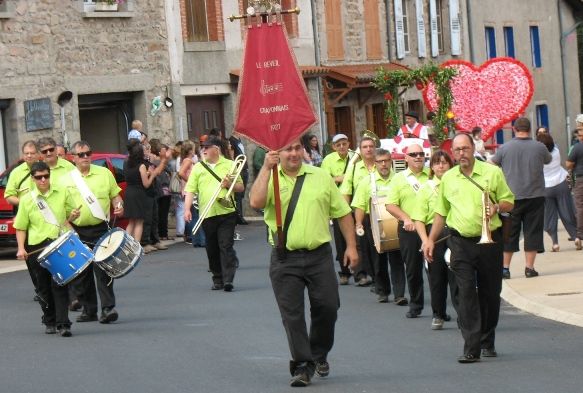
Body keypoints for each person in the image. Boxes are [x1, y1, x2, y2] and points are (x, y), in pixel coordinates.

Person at [249, 140, 359, 387]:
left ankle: (317, 354)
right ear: (278, 152)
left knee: (328, 307)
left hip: (319, 255)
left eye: (298, 148)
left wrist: (351, 246)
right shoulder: (271, 177)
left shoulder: (320, 177)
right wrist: (266, 169)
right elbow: (255, 202)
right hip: (285, 258)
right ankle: (301, 365)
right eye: (288, 148)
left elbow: (342, 213)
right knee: (292, 316)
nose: (294, 153)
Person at [423, 133, 514, 363]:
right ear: (452, 152)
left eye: (465, 148)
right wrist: (431, 240)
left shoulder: (492, 172)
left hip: (489, 241)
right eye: (457, 150)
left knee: (490, 293)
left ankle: (487, 338)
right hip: (460, 242)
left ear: (473, 149)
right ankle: (471, 347)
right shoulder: (449, 178)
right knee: (465, 293)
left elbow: (509, 201)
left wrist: (496, 207)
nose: (461, 153)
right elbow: (441, 213)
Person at [14, 161, 80, 337]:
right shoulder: (27, 199)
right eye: (39, 177)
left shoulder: (61, 191)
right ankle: (49, 319)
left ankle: (64, 323)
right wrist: (21, 248)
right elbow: (20, 227)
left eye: (46, 176)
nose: (43, 180)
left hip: (59, 243)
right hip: (37, 245)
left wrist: (73, 215)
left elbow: (70, 214)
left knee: (60, 283)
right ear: (33, 178)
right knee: (43, 287)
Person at [65, 141, 125, 324]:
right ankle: (89, 310)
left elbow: (115, 195)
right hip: (77, 231)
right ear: (73, 158)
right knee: (83, 273)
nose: (85, 158)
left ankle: (108, 308)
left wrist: (119, 205)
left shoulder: (104, 173)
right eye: (81, 155)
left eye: (88, 153)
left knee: (104, 270)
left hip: (101, 228)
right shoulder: (65, 180)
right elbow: (60, 209)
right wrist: (69, 218)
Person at [490, 117, 551, 278]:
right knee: (533, 231)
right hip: (535, 195)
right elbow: (548, 159)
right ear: (530, 129)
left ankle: (505, 269)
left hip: (511, 198)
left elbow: (491, 163)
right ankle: (529, 268)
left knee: (509, 233)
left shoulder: (505, 148)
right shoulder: (539, 147)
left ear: (515, 129)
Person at [184, 136, 243, 291]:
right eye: (203, 147)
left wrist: (229, 184)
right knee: (212, 248)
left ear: (216, 149)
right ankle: (217, 278)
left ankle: (228, 279)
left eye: (206, 147)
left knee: (226, 246)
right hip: (207, 213)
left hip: (227, 211)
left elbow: (240, 187)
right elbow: (190, 189)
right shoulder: (198, 167)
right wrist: (186, 209)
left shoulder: (230, 165)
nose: (203, 150)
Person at [351, 148, 407, 304]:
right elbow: (360, 206)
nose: (384, 164)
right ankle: (383, 291)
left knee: (397, 260)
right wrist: (359, 223)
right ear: (375, 163)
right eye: (380, 161)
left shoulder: (400, 178)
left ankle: (399, 294)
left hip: (396, 224)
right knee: (378, 260)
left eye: (387, 161)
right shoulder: (366, 182)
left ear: (391, 161)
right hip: (374, 224)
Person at [412, 150, 458, 330]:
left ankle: (463, 314)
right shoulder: (426, 188)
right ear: (431, 167)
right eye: (437, 163)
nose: (441, 166)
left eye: (444, 162)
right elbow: (419, 218)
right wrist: (425, 240)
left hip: (454, 231)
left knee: (457, 275)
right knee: (436, 276)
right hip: (435, 234)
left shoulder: (457, 184)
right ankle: (438, 314)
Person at [386, 143, 430, 318]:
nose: (418, 157)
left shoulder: (432, 175)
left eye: (421, 153)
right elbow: (390, 204)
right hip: (409, 229)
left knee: (436, 270)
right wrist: (405, 218)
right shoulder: (399, 178)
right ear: (406, 158)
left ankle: (439, 310)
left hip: (430, 227)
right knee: (413, 268)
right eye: (413, 154)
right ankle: (416, 304)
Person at [339, 135, 378, 286]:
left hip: (380, 212)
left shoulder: (382, 164)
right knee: (363, 246)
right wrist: (345, 214)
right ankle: (365, 275)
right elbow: (346, 190)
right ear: (360, 151)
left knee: (379, 248)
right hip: (362, 212)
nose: (368, 149)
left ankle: (378, 278)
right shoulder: (354, 168)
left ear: (375, 149)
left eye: (371, 146)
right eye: (365, 147)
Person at [5, 140, 41, 297]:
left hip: (44, 216)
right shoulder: (17, 172)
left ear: (38, 154)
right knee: (30, 256)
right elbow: (8, 196)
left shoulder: (44, 170)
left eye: (32, 153)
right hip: (25, 217)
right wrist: (25, 203)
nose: (29, 156)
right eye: (26, 153)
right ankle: (39, 288)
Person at [321, 134, 354, 285]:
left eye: (344, 143)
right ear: (333, 147)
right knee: (341, 240)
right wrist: (339, 179)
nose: (342, 147)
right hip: (337, 202)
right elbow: (323, 181)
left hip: (355, 199)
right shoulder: (328, 160)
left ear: (348, 144)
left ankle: (360, 272)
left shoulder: (355, 156)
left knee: (359, 237)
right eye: (338, 144)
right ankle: (345, 271)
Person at [537, 133, 578, 251]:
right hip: (561, 183)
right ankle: (575, 237)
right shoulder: (556, 151)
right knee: (567, 212)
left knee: (550, 216)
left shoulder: (539, 157)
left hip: (546, 187)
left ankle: (555, 243)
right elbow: (553, 144)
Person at [123, 139, 169, 244]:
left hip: (129, 192)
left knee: (131, 222)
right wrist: (151, 175)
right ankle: (136, 245)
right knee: (139, 222)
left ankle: (126, 245)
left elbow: (132, 176)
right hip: (139, 194)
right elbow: (146, 184)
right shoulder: (142, 166)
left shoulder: (125, 163)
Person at [566, 117, 583, 251]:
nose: (579, 133)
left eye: (580, 129)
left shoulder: (577, 147)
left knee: (580, 207)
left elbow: (569, 164)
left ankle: (580, 235)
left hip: (581, 179)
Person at [228, 134, 249, 225]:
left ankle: (239, 215)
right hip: (239, 169)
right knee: (238, 195)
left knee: (241, 194)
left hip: (244, 168)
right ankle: (239, 216)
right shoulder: (232, 140)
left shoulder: (239, 140)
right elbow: (232, 155)